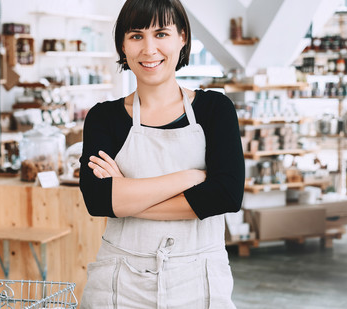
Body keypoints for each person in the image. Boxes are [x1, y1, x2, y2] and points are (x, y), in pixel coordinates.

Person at [78, 0, 244, 307]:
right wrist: (191, 177)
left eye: (161, 34)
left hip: (200, 282)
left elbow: (226, 195)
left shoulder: (215, 110)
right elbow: (97, 200)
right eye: (136, 36)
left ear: (182, 38)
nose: (149, 49)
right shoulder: (104, 118)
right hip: (119, 284)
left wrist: (126, 199)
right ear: (123, 46)